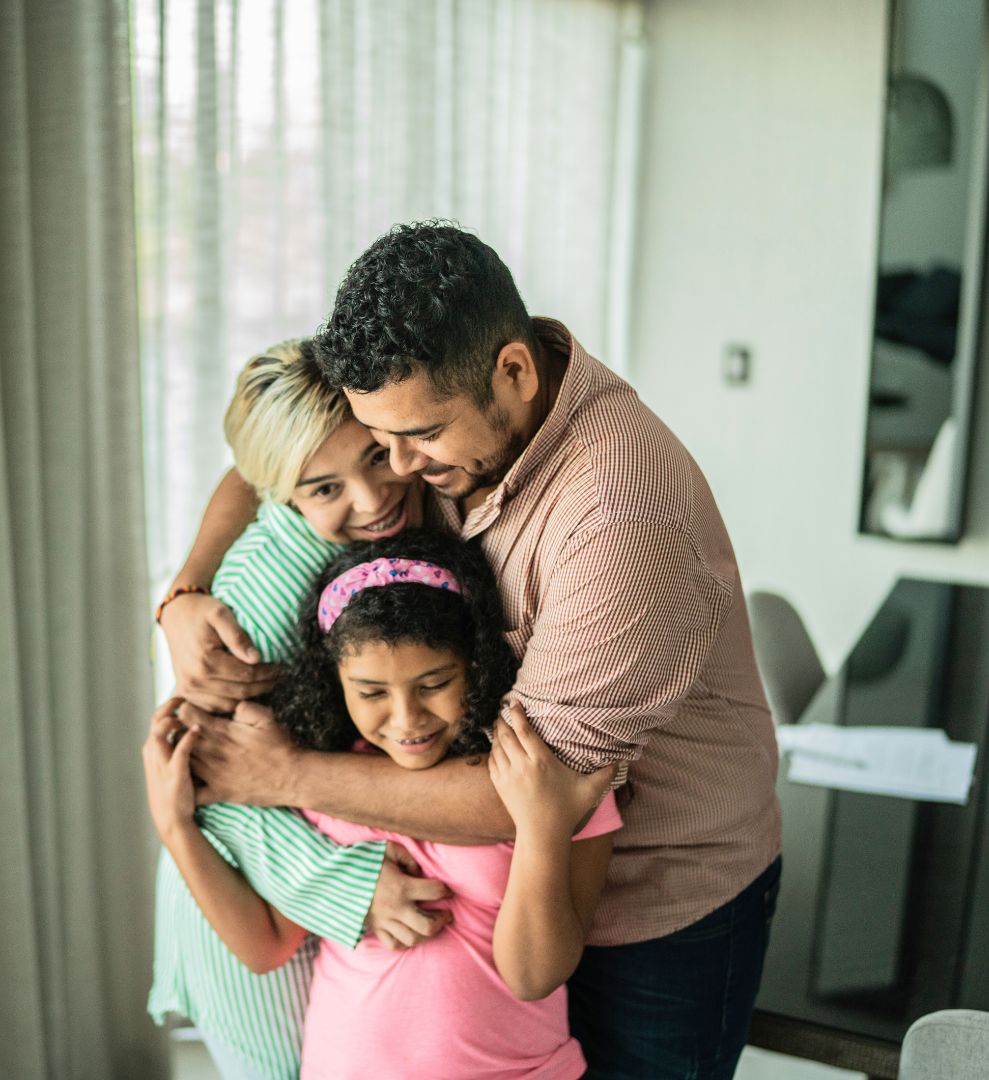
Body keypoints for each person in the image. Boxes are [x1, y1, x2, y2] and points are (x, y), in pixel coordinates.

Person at [165, 221, 782, 1079]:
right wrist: (185, 590)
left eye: (416, 440)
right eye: (379, 440)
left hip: (652, 906)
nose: (395, 469)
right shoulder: (447, 389)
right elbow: (275, 451)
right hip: (493, 902)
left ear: (516, 373)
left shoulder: (621, 521)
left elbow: (524, 800)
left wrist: (280, 776)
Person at [145, 530, 620, 1080]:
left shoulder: (536, 780)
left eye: (435, 683)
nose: (406, 719)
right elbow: (266, 944)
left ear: (476, 662)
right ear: (336, 683)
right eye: (371, 692)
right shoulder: (323, 777)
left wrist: (541, 825)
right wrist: (175, 826)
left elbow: (533, 977)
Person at [145, 338, 440, 1080]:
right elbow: (213, 785)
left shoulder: (332, 536)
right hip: (241, 902)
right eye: (324, 488)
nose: (371, 500)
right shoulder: (271, 601)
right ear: (280, 489)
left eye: (375, 457)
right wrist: (347, 883)